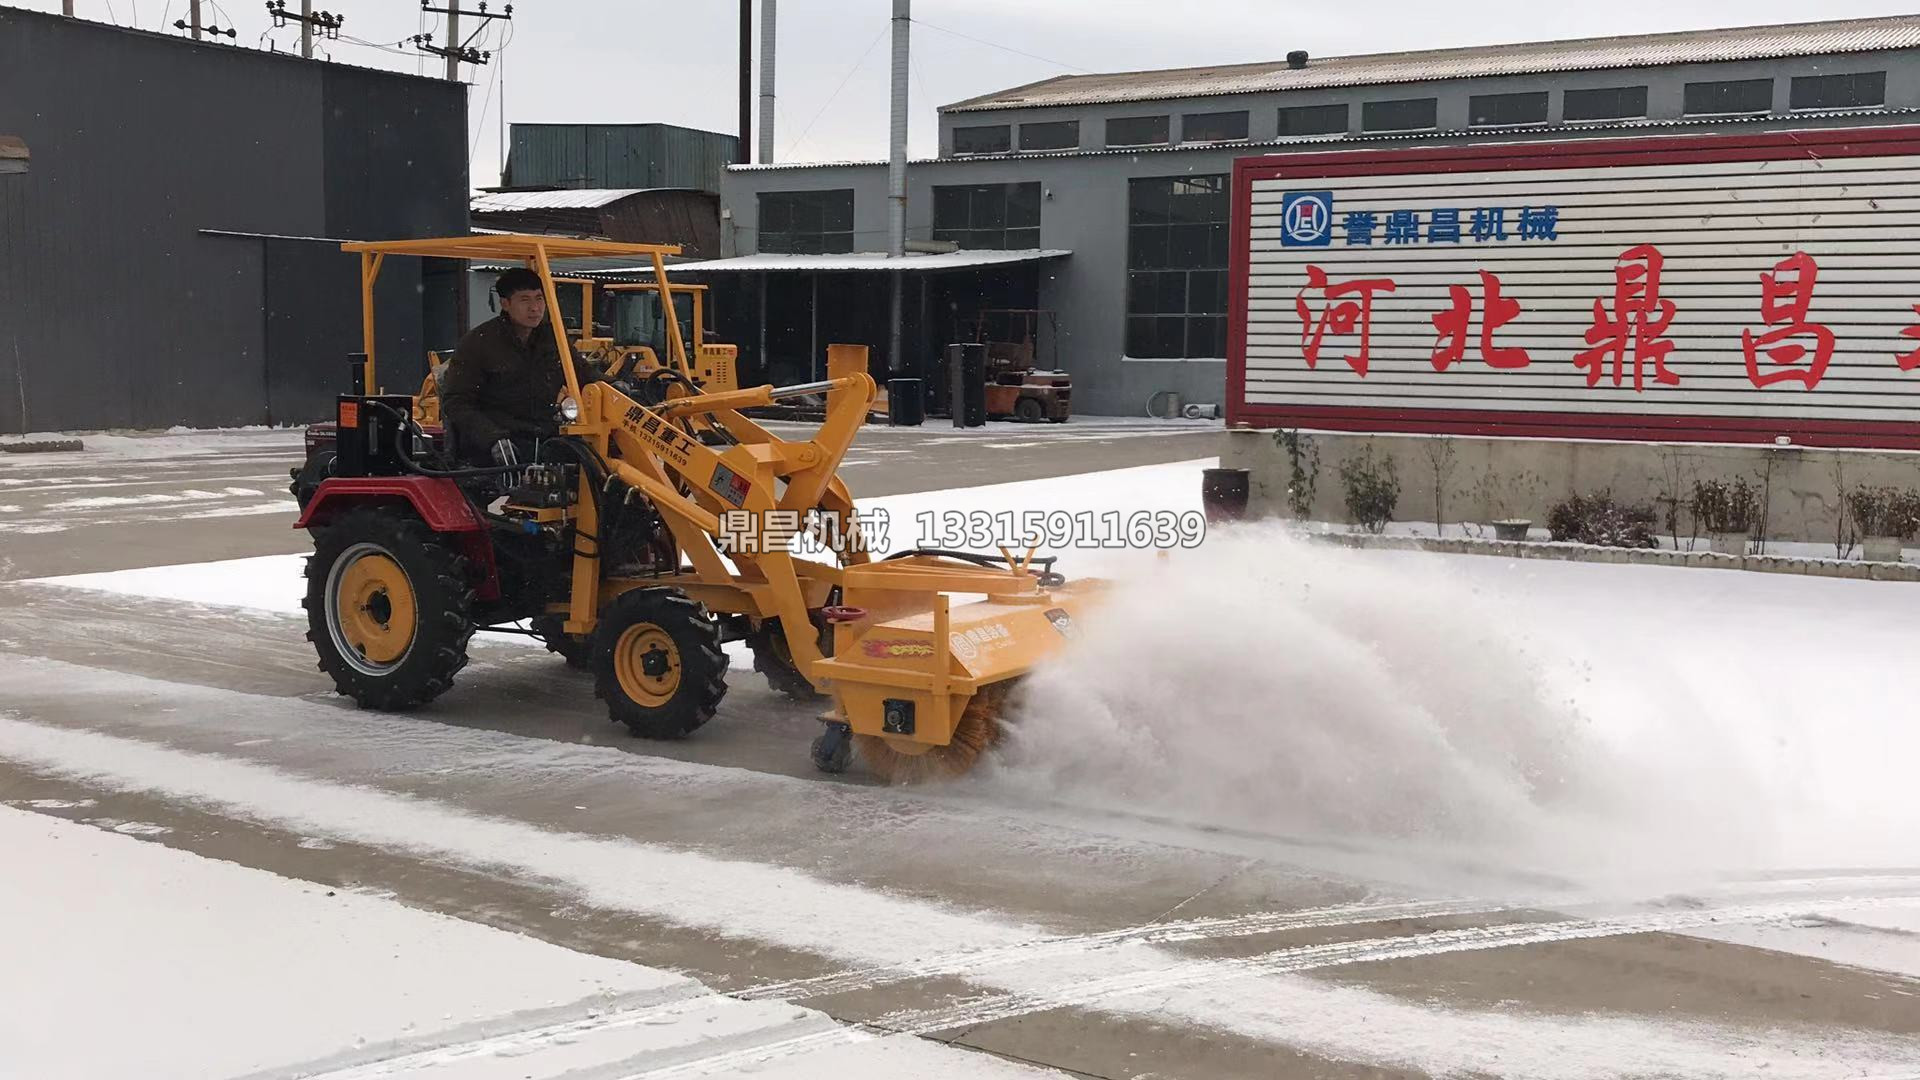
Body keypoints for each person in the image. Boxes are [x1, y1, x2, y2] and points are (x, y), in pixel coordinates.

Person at [440, 268, 604, 466]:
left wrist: (616, 387)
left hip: (545, 439)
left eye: (539, 298)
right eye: (525, 300)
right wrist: (492, 438)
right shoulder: (479, 344)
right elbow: (457, 402)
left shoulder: (553, 339)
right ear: (505, 304)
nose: (535, 308)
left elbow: (585, 373)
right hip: (494, 449)